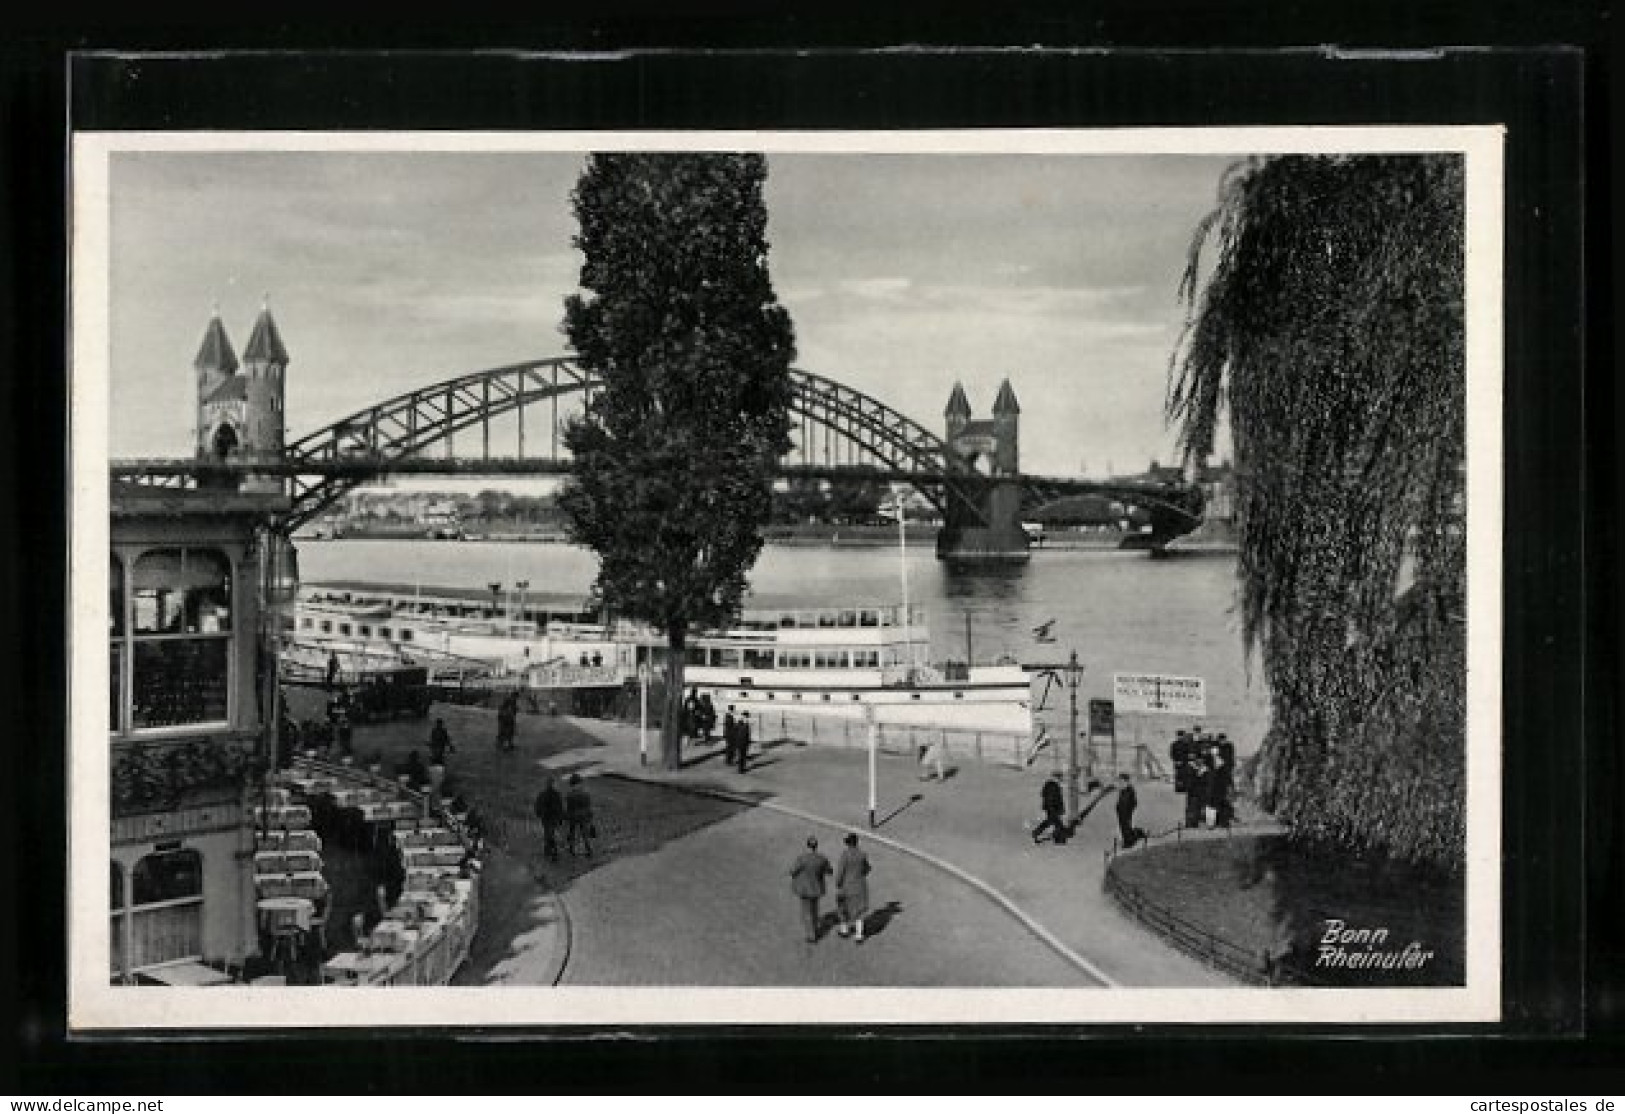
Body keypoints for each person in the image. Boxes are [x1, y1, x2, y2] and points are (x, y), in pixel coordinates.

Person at [789, 835, 833, 944]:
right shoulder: (822, 858)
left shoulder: (802, 858)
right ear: (816, 846)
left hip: (805, 889)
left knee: (806, 912)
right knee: (814, 909)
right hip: (817, 889)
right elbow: (829, 871)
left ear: (807, 846)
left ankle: (811, 935)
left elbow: (793, 871)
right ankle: (815, 926)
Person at [835, 832, 873, 942]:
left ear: (848, 843)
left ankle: (845, 930)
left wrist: (838, 883)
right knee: (859, 912)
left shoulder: (845, 855)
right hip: (860, 885)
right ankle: (859, 935)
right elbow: (867, 869)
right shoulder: (862, 854)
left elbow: (840, 872)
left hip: (847, 886)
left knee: (843, 908)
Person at [534, 774, 565, 862]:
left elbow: (537, 806)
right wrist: (561, 818)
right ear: (553, 784)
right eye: (554, 783)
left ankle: (548, 850)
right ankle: (553, 851)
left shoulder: (542, 794)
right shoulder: (557, 795)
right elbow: (560, 808)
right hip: (553, 818)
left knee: (548, 833)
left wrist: (540, 814)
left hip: (546, 818)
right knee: (550, 834)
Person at [564, 773, 595, 856]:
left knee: (572, 832)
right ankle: (589, 849)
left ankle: (572, 849)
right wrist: (590, 817)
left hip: (573, 816)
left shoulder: (569, 795)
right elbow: (588, 807)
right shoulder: (585, 793)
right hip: (584, 816)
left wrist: (566, 817)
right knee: (585, 833)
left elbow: (569, 808)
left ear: (572, 784)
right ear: (579, 783)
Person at [1032, 774, 1068, 844]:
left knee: (1053, 822)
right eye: (1060, 778)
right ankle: (1059, 838)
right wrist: (1053, 808)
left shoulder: (1053, 785)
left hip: (1052, 808)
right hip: (1053, 808)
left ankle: (1059, 837)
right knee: (1054, 822)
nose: (1061, 779)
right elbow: (1052, 798)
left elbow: (1055, 798)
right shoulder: (1053, 786)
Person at [1115, 772, 1141, 847]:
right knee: (1123, 826)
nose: (1120, 783)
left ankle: (1129, 842)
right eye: (1119, 781)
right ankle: (1127, 839)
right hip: (1122, 811)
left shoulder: (1130, 790)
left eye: (1122, 781)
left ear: (1126, 781)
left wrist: (1129, 810)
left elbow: (1134, 802)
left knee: (1126, 826)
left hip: (1126, 811)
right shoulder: (1123, 789)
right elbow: (1121, 800)